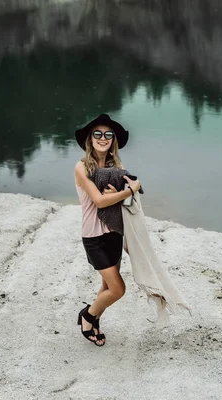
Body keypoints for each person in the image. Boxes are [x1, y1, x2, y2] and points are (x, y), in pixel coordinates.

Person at [73, 114, 141, 347]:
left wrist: (118, 196)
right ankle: (87, 316)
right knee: (118, 288)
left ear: (113, 141)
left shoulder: (115, 168)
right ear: (89, 139)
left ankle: (95, 322)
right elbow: (99, 202)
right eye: (98, 134)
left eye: (108, 135)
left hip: (113, 233)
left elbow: (117, 203)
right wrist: (131, 190)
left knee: (106, 286)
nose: (103, 138)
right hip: (93, 236)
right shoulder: (82, 167)